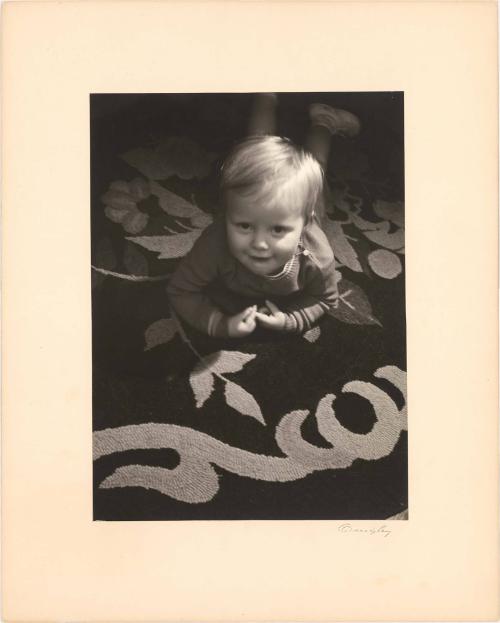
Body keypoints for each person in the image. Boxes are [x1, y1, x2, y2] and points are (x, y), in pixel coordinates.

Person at [167, 94, 360, 337]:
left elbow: (324, 300)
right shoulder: (214, 244)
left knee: (316, 165)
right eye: (244, 226)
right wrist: (221, 325)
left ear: (305, 224)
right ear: (226, 214)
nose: (258, 243)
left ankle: (324, 121)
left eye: (278, 229)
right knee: (256, 144)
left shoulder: (317, 258)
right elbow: (181, 291)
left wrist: (291, 320)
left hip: (306, 203)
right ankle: (266, 95)